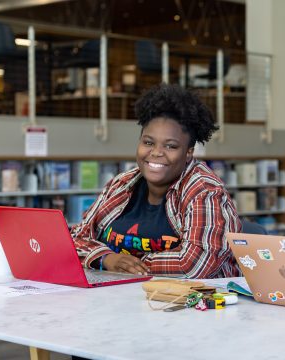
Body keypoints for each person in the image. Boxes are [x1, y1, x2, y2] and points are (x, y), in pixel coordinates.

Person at [72, 84, 241, 278]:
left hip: (187, 303)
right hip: (118, 297)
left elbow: (195, 264)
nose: (156, 152)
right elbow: (76, 238)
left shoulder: (205, 192)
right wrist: (107, 258)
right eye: (148, 142)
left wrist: (131, 264)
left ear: (188, 153)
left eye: (170, 146)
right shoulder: (121, 184)